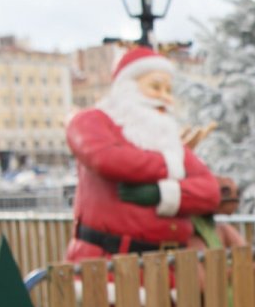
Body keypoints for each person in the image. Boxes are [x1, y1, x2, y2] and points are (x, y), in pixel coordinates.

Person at [64, 45, 239, 263]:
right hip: (108, 263)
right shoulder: (92, 121)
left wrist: (163, 193)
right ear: (127, 87)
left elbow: (210, 191)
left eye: (168, 90)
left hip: (169, 267)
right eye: (155, 88)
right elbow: (106, 160)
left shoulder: (167, 141)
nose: (165, 98)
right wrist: (169, 165)